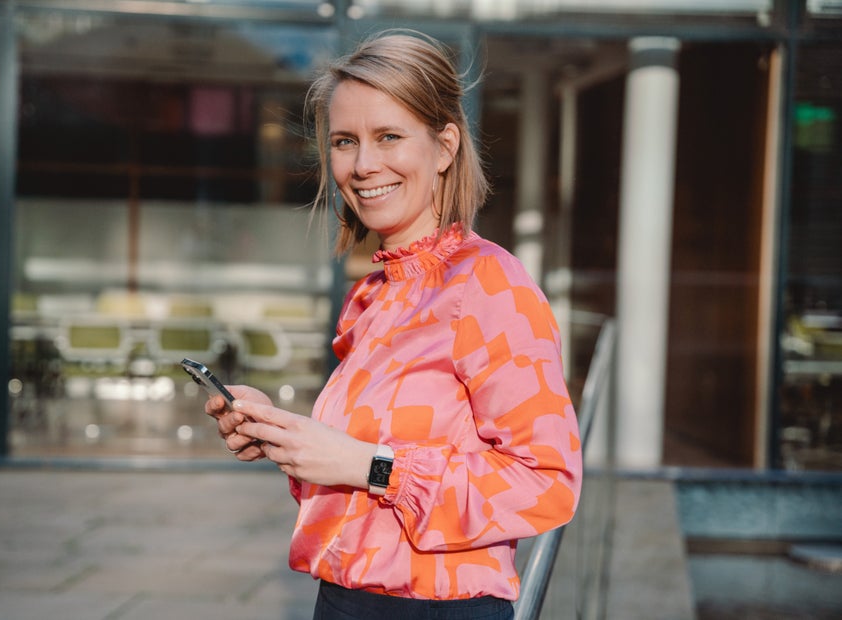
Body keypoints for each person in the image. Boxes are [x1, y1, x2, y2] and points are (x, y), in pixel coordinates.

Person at [207, 29, 582, 620]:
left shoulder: (488, 282)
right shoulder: (377, 293)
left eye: (388, 137)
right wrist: (288, 438)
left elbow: (548, 483)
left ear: (443, 147)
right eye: (344, 141)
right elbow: (366, 480)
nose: (362, 165)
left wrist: (368, 464)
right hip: (346, 599)